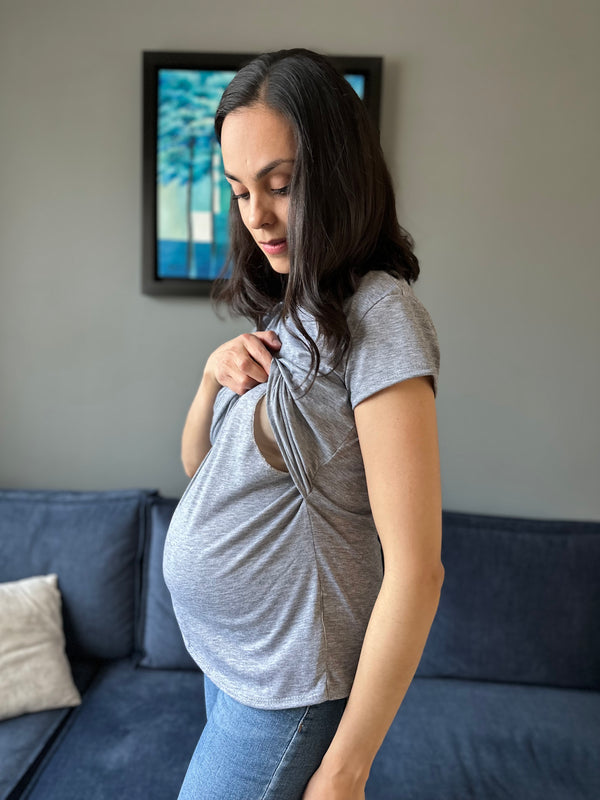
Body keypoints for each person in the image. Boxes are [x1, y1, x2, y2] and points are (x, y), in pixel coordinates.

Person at [163, 48, 444, 800]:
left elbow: (417, 571)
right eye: (239, 191)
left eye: (280, 186)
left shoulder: (380, 318)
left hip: (290, 690)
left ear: (337, 174)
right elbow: (202, 471)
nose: (256, 215)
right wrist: (208, 380)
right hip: (237, 668)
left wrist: (346, 770)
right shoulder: (293, 312)